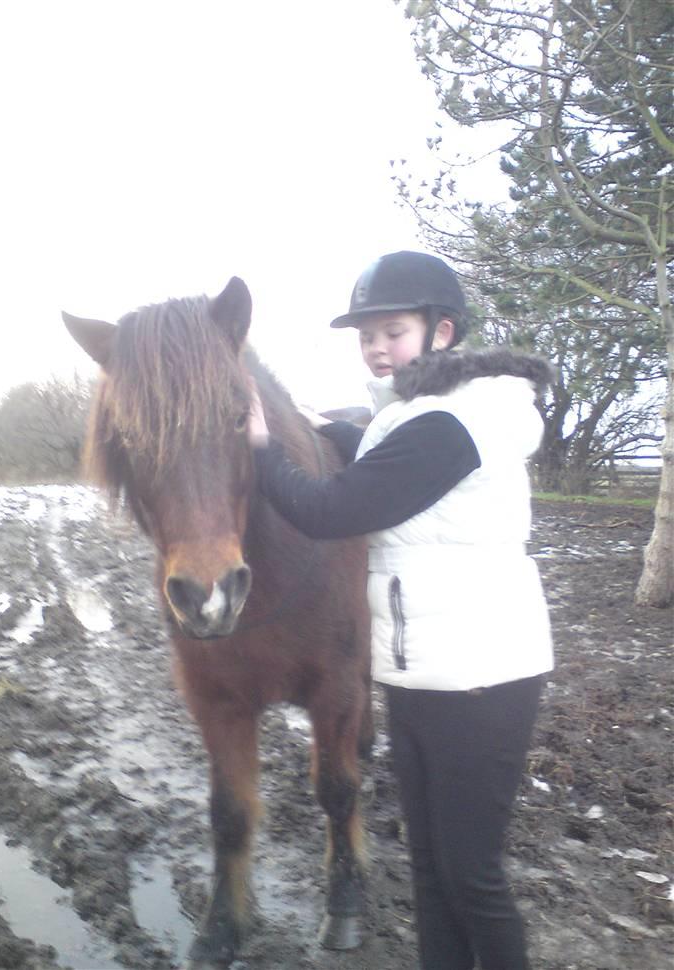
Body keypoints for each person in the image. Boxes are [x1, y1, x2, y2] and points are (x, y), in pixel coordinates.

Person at [248, 250, 554, 970]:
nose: (377, 347)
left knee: (472, 877)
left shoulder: (455, 420)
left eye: (392, 331)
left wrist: (265, 450)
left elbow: (333, 508)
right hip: (422, 672)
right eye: (366, 336)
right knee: (427, 871)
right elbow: (399, 473)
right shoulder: (424, 416)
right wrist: (339, 431)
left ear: (442, 331)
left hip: (479, 678)